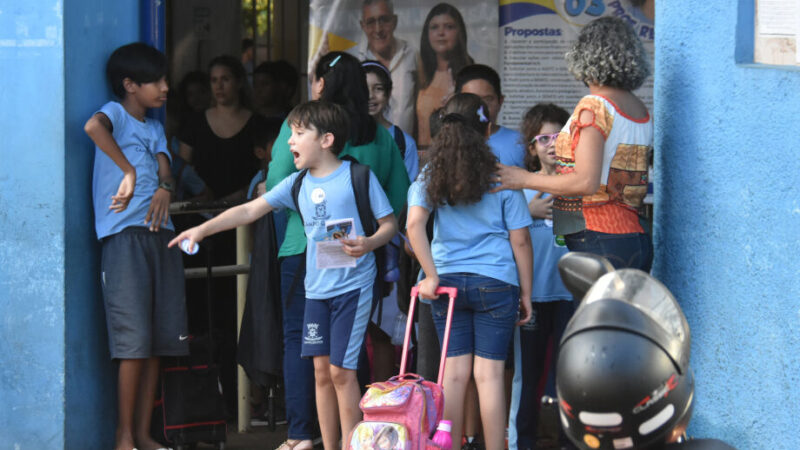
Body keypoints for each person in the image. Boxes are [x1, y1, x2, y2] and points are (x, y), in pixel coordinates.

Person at [170, 100, 399, 450]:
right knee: (321, 373)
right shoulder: (296, 185)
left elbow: (389, 224)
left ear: (326, 140)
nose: (289, 142)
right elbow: (248, 210)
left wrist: (369, 243)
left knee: (341, 372)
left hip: (353, 289)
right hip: (315, 293)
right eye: (290, 134)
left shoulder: (359, 177)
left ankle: (353, 444)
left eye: (298, 134)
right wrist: (201, 231)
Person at [266, 51, 410, 450]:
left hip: (304, 250)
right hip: (358, 253)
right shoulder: (378, 134)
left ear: (323, 83)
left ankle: (300, 435)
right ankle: (351, 437)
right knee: (348, 352)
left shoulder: (305, 124)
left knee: (303, 344)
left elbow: (277, 179)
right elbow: (398, 196)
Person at [406, 93, 533, 450]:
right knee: (489, 376)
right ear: (487, 130)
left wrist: (430, 275)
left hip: (447, 285)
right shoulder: (500, 173)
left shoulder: (431, 173)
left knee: (454, 375)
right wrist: (526, 293)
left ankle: (452, 446)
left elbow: (414, 225)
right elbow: (521, 241)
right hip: (496, 282)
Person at [83, 42, 188, 450]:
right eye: (156, 81)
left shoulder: (155, 127)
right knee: (133, 343)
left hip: (161, 237)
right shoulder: (114, 115)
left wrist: (165, 186)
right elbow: (92, 129)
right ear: (129, 85)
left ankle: (144, 434)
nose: (165, 88)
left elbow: (165, 166)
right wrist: (126, 170)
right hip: (125, 238)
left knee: (160, 342)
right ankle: (123, 436)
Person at [494, 16, 654, 271]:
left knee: (598, 311)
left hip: (599, 236)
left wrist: (523, 179)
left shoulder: (595, 105)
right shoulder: (639, 109)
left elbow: (585, 182)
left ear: (585, 57)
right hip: (634, 233)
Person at [508, 103, 575, 450]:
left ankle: (569, 440)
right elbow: (503, 240)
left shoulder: (578, 185)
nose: (552, 143)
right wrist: (527, 210)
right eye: (544, 137)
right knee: (527, 375)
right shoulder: (519, 189)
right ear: (531, 147)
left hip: (569, 295)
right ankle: (524, 441)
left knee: (570, 373)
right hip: (531, 296)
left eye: (560, 136)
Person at [178, 55, 269, 202]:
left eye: (225, 79)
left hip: (244, 210)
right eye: (214, 80)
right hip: (200, 211)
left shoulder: (257, 123)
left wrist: (238, 196)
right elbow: (182, 168)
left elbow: (266, 169)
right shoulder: (195, 122)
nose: (219, 86)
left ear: (239, 82)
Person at [352, 0, 418, 133]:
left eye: (384, 20)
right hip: (367, 145)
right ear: (362, 25)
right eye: (371, 22)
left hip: (405, 147)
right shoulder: (353, 60)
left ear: (395, 21)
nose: (378, 29)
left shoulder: (413, 54)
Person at [416, 3, 474, 148]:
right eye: (434, 27)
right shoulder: (418, 76)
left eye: (449, 27)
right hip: (421, 158)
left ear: (459, 32)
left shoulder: (470, 76)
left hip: (456, 153)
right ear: (426, 34)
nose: (441, 33)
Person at [456, 64, 526, 168]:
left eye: (487, 100)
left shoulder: (520, 143)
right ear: (456, 102)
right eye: (470, 101)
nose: (479, 109)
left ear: (500, 101)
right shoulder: (449, 142)